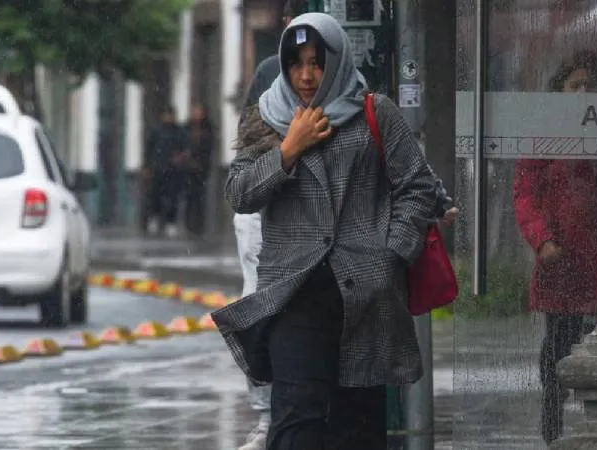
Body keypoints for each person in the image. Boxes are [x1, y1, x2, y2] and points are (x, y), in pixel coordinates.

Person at [215, 13, 441, 449]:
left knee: (356, 426)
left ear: (336, 61)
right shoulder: (267, 117)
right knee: (296, 421)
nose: (305, 75)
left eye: (317, 62)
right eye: (296, 63)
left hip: (364, 294)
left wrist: (390, 254)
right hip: (294, 295)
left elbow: (418, 187)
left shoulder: (376, 112)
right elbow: (240, 194)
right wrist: (287, 150)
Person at [512, 49, 597, 444]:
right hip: (561, 262)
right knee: (557, 348)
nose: (583, 92)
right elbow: (524, 192)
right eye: (575, 85)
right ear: (559, 90)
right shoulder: (546, 133)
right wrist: (542, 238)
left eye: (590, 85)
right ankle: (553, 424)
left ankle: (596, 422)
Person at [233, 2, 305, 449]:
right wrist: (286, 149)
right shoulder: (267, 75)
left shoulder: (349, 85)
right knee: (259, 307)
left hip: (317, 217)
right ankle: (267, 415)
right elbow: (245, 160)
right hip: (266, 211)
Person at [144, 105, 186, 238]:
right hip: (158, 168)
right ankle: (154, 219)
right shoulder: (157, 131)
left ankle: (170, 222)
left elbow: (184, 148)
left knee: (172, 197)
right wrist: (148, 166)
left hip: (173, 170)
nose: (168, 118)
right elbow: (149, 149)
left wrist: (179, 158)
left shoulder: (178, 132)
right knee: (155, 196)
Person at [183, 103, 214, 236]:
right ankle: (189, 224)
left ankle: (199, 224)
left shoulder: (207, 128)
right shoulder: (187, 127)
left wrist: (202, 162)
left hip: (201, 168)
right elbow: (183, 143)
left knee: (200, 196)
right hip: (188, 168)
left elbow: (209, 147)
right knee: (189, 196)